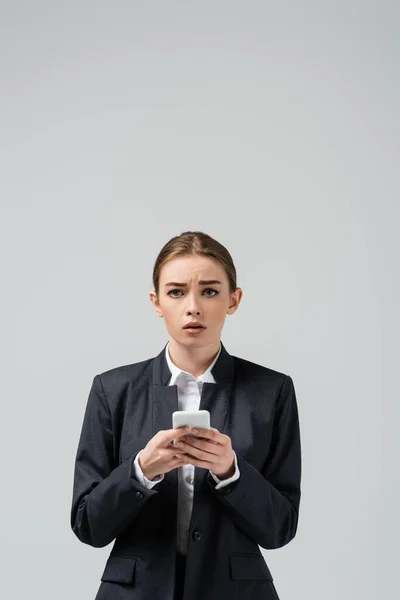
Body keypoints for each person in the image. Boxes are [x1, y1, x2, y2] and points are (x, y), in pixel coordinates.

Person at [70, 230, 302, 600]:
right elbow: (88, 525)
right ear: (156, 301)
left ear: (234, 300)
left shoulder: (271, 391)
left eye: (209, 291)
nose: (193, 306)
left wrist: (231, 472)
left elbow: (281, 529)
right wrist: (140, 471)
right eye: (176, 292)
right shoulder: (112, 390)